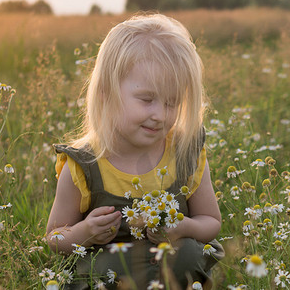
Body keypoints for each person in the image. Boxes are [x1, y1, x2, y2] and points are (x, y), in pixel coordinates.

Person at [46, 14, 223, 289]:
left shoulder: (185, 153)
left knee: (188, 252)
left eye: (172, 102)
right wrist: (85, 232)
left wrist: (184, 227)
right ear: (106, 91)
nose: (160, 115)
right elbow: (54, 239)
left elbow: (211, 222)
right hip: (111, 273)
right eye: (147, 99)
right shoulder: (83, 165)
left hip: (172, 270)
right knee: (99, 269)